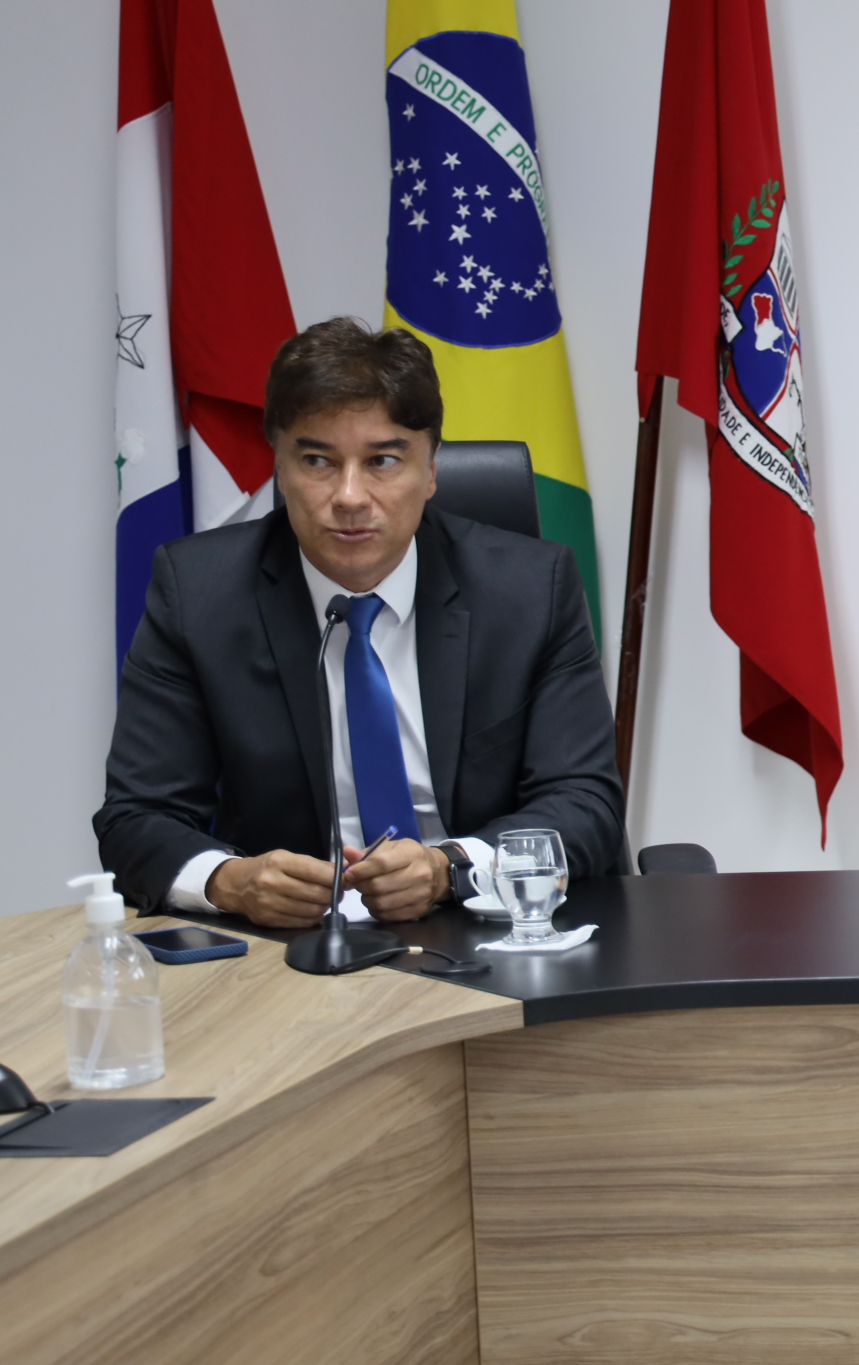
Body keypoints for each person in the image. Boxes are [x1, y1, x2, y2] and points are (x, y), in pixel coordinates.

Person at [95, 317, 625, 925]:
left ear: (431, 471)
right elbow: (134, 818)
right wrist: (228, 881)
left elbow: (585, 802)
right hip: (292, 942)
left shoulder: (531, 588)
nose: (349, 496)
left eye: (383, 461)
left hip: (489, 925)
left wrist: (450, 868)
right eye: (318, 460)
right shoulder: (199, 593)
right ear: (280, 468)